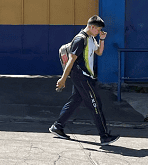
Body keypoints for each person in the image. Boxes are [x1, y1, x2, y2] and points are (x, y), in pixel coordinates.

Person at [49, 15, 120, 145]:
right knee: (96, 104)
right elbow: (71, 60)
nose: (99, 32)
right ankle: (104, 136)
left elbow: (99, 52)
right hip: (81, 76)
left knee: (76, 100)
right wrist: (63, 79)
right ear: (92, 27)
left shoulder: (91, 38)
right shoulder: (80, 39)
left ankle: (58, 127)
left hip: (85, 76)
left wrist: (102, 39)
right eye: (98, 30)